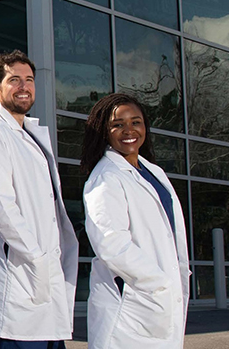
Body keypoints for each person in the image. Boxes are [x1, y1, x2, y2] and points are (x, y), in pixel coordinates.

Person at [0, 50, 79, 349]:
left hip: (44, 276)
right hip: (20, 272)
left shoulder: (31, 133)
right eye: (14, 80)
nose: (24, 87)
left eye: (29, 80)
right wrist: (36, 256)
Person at [80, 93, 189, 349]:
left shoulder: (152, 172)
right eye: (118, 124)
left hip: (154, 305)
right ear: (104, 131)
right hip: (131, 308)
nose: (128, 130)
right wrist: (158, 282)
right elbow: (112, 245)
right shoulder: (106, 177)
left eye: (135, 122)